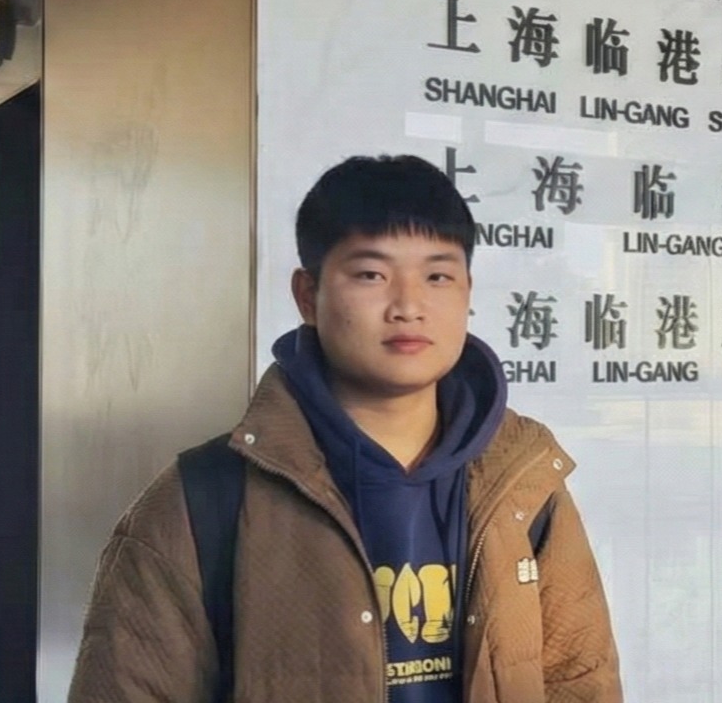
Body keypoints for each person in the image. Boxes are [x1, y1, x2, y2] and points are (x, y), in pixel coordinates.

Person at [68, 154, 622, 702]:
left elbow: (582, 683)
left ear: (467, 293)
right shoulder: (203, 500)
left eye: (437, 276)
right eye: (371, 275)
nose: (408, 306)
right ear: (307, 296)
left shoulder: (523, 486)